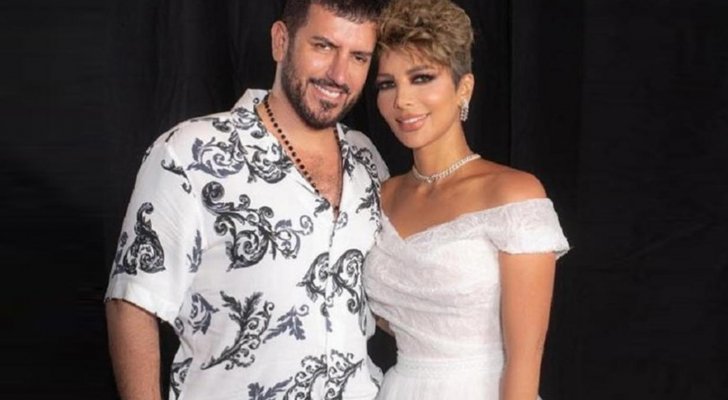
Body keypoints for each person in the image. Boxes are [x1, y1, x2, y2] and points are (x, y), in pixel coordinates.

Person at [104, 1, 390, 399]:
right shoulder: (190, 153)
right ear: (281, 41)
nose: (339, 74)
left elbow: (380, 300)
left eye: (358, 57)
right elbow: (132, 303)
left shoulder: (368, 160)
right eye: (323, 46)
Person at [362, 0, 570, 399]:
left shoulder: (513, 194)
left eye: (421, 78)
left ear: (464, 88)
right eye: (387, 84)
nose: (402, 99)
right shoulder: (380, 197)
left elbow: (525, 360)